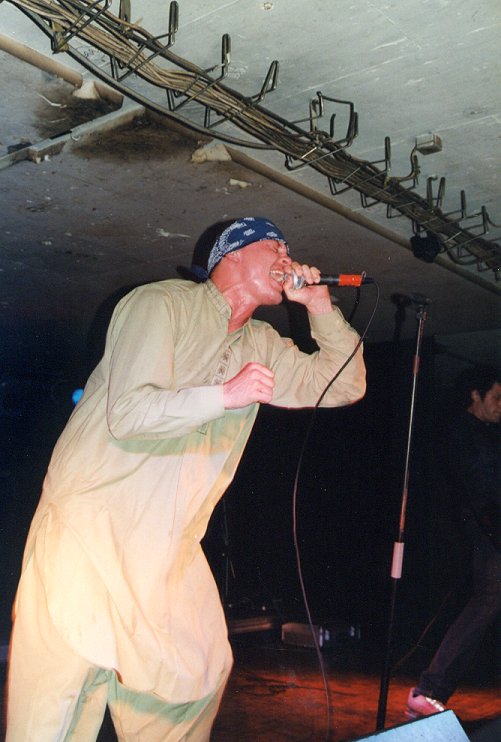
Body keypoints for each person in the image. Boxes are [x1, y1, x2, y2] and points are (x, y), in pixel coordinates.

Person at [6, 216, 366, 741]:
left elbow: (343, 385)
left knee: (197, 674)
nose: (287, 258)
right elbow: (129, 413)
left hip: (167, 544)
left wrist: (320, 309)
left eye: (289, 248)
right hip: (88, 525)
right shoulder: (160, 304)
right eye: (274, 246)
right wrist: (225, 395)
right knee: (60, 695)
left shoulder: (262, 343)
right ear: (231, 254)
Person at [407, 366, 501, 719]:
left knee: (488, 602)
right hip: (487, 529)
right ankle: (429, 690)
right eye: (497, 398)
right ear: (475, 395)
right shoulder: (462, 432)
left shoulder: (487, 433)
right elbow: (482, 485)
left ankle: (430, 689)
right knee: (487, 601)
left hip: (489, 526)